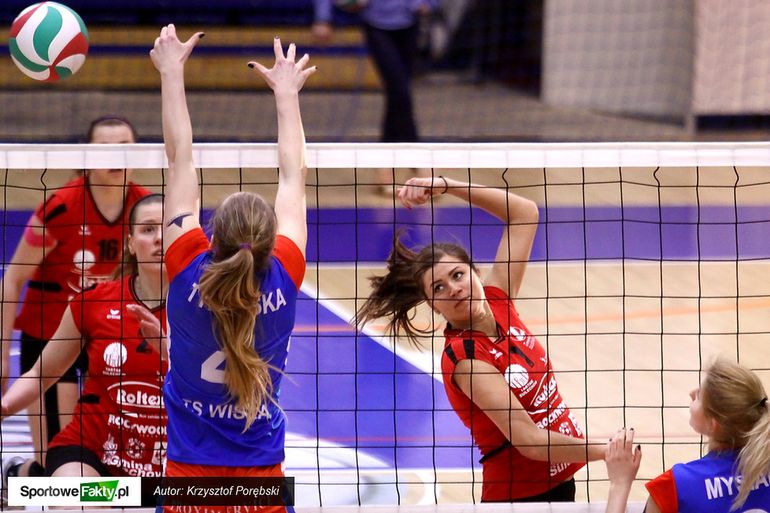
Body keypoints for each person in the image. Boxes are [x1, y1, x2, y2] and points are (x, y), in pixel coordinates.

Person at [357, 176, 607, 502]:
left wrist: (446, 185)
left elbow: (524, 213)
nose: (454, 288)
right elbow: (528, 440)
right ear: (432, 305)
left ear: (475, 272)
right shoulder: (466, 358)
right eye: (439, 288)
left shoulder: (498, 299)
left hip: (558, 484)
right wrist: (608, 450)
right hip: (519, 499)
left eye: (458, 275)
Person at [150, 24, 314, 512]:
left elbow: (179, 160)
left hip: (187, 480)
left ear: (212, 235)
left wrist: (171, 73)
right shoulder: (284, 272)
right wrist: (287, 95)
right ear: (269, 243)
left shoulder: (185, 268)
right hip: (260, 483)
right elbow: (294, 175)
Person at [0, 115, 150, 477]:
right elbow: (13, 279)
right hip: (52, 335)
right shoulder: (62, 207)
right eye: (104, 148)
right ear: (86, 155)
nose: (116, 157)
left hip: (111, 336)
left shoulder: (146, 208)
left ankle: (23, 478)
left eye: (124, 148)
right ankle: (17, 476)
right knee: (57, 461)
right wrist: (2, 356)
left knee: (113, 457)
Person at [604, 358, 770, 513]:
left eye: (699, 396)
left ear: (713, 424)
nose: (691, 393)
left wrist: (620, 483)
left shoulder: (675, 487)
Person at [312, 0, 437, 193]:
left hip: (410, 23)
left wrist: (428, 3)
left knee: (398, 95)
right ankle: (414, 161)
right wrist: (323, 18)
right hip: (377, 24)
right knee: (400, 91)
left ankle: (386, 166)